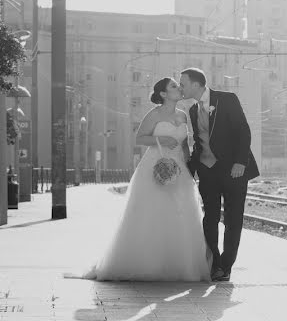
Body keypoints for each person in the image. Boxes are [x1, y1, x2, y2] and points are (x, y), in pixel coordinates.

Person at [83, 77, 211, 282]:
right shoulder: (154, 114)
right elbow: (139, 138)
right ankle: (147, 263)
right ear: (163, 94)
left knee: (181, 212)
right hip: (154, 167)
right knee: (152, 212)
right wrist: (161, 139)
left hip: (179, 168)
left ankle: (178, 264)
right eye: (174, 86)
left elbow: (185, 144)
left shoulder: (183, 115)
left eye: (179, 86)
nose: (179, 88)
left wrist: (189, 164)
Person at [179, 67, 259, 282]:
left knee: (233, 219)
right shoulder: (193, 110)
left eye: (183, 84)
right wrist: (190, 170)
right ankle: (214, 263)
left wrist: (241, 162)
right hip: (208, 171)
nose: (181, 88)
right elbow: (199, 142)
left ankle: (226, 265)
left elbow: (243, 130)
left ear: (196, 84)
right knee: (210, 218)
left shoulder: (227, 99)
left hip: (234, 170)